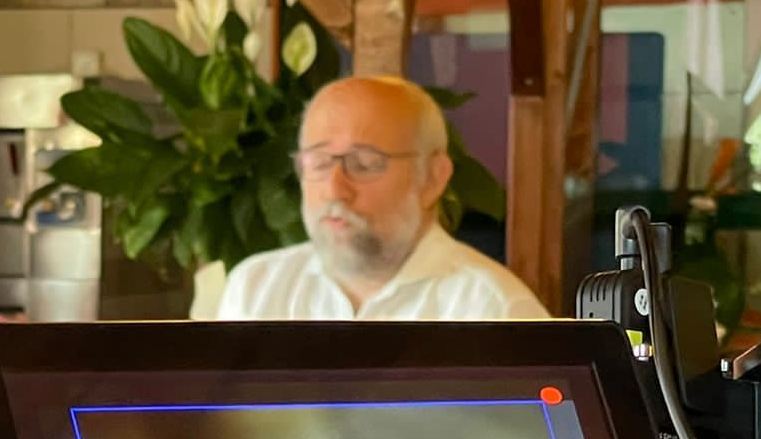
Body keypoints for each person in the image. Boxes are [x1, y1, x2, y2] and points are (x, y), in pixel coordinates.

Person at [215, 75, 548, 322]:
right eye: (318, 162)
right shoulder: (257, 288)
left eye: (363, 164)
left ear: (433, 178)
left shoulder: (494, 312)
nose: (334, 189)